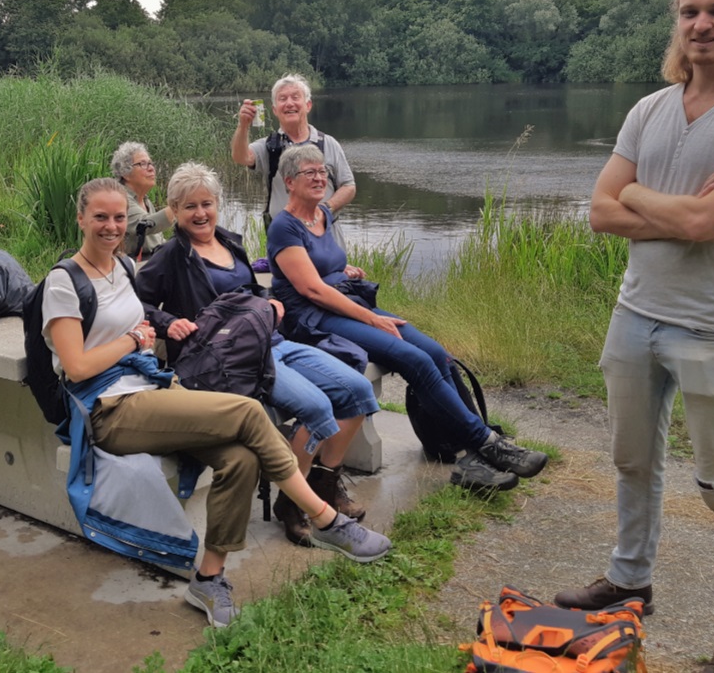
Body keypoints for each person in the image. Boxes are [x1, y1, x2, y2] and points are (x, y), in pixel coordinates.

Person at [43, 177, 391, 628]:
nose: (111, 226)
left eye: (117, 217)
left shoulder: (124, 268)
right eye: (100, 218)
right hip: (109, 408)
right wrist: (134, 340)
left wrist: (151, 337)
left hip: (152, 390)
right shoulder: (63, 281)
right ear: (81, 219)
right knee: (246, 411)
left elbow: (147, 321)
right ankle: (324, 519)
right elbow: (76, 368)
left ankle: (209, 579)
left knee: (241, 459)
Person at [553, 0, 714, 673]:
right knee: (632, 459)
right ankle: (630, 579)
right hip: (634, 316)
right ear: (676, 23)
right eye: (691, 12)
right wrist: (681, 210)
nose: (703, 25)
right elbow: (600, 211)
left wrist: (648, 201)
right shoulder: (649, 109)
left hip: (713, 324)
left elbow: (703, 225)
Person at [267, 144, 548, 493]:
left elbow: (324, 267)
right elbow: (311, 290)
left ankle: (472, 453)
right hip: (313, 320)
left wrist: (342, 270)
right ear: (289, 181)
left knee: (435, 351)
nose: (321, 177)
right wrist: (371, 318)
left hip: (344, 302)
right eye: (311, 172)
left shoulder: (324, 213)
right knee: (413, 359)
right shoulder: (284, 226)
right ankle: (486, 443)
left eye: (323, 171)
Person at [136, 162, 382, 545]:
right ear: (175, 211)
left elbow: (253, 288)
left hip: (273, 341)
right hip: (228, 359)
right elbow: (140, 304)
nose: (200, 213)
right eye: (189, 207)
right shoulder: (171, 255)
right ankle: (292, 501)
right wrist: (170, 323)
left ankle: (324, 483)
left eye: (206, 203)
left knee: (357, 392)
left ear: (217, 204)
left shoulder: (231, 241)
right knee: (317, 408)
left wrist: (271, 301)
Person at [231, 73, 356, 249]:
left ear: (308, 105)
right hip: (286, 242)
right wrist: (243, 126)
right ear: (275, 110)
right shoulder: (269, 147)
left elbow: (349, 186)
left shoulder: (328, 143)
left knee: (333, 276)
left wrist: (325, 209)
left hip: (328, 240)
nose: (289, 103)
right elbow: (240, 157)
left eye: (295, 97)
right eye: (282, 99)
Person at [110, 141, 173, 260]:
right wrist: (180, 205)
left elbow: (157, 239)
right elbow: (145, 225)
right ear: (125, 172)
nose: (151, 169)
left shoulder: (145, 200)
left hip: (153, 260)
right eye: (143, 164)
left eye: (150, 163)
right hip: (133, 266)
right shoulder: (119, 198)